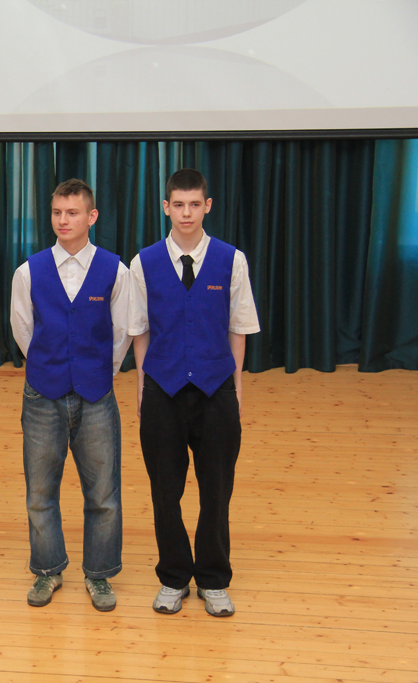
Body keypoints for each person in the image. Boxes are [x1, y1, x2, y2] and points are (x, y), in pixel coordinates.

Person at [129, 168, 260, 617]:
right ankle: (173, 577)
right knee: (165, 492)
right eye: (178, 204)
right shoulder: (143, 262)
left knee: (216, 490)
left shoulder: (231, 260)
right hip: (162, 389)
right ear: (166, 207)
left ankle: (213, 578)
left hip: (216, 389)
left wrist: (236, 387)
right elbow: (140, 332)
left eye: (195, 204)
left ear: (208, 206)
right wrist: (143, 386)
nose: (186, 213)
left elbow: (238, 328)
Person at [10, 178, 132, 611]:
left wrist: (95, 372)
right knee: (40, 492)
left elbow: (121, 332)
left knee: (103, 494)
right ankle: (47, 569)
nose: (64, 220)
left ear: (91, 217)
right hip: (42, 395)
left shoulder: (115, 270)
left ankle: (99, 574)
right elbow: (23, 329)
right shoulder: (29, 271)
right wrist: (52, 366)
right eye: (57, 213)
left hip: (96, 395)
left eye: (73, 213)